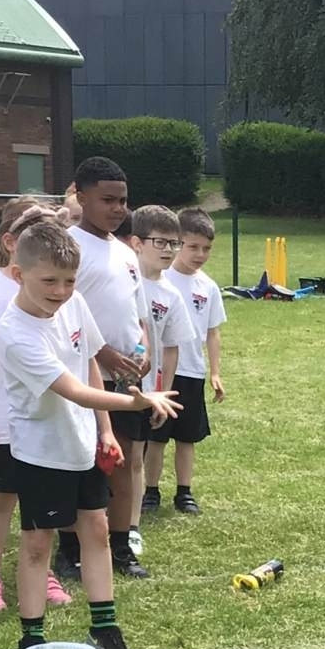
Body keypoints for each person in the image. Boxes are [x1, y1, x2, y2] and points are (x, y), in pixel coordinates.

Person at [0, 218, 180, 649]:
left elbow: (89, 365)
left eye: (69, 280)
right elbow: (73, 390)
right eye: (49, 281)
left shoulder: (74, 304)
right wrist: (136, 402)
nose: (61, 291)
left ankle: (105, 626)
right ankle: (31, 639)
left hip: (82, 446)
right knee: (37, 544)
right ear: (18, 274)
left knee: (96, 530)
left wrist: (104, 430)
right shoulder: (15, 332)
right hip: (41, 454)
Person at [0, 195, 74, 614]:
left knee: (41, 498)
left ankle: (40, 569)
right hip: (4, 416)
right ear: (12, 243)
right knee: (1, 496)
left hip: (48, 415)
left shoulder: (60, 291)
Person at [63, 157, 153, 579]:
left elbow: (137, 313)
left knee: (124, 457)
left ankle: (120, 545)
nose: (118, 209)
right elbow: (63, 313)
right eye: (108, 200)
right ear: (81, 197)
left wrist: (144, 349)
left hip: (126, 376)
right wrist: (102, 355)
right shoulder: (68, 248)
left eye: (123, 200)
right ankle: (71, 549)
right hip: (82, 375)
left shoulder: (125, 251)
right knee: (80, 461)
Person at [154, 207, 228, 514]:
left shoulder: (207, 286)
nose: (200, 254)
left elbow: (212, 332)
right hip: (161, 373)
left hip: (192, 373)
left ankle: (184, 492)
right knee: (156, 438)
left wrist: (215, 372)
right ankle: (150, 491)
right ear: (177, 242)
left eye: (206, 248)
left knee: (187, 438)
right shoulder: (161, 280)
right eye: (193, 246)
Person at [124, 205, 194, 518]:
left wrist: (162, 393)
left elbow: (171, 348)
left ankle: (130, 525)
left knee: (135, 458)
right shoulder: (122, 279)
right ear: (137, 243)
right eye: (161, 242)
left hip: (147, 389)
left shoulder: (171, 294)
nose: (168, 250)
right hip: (109, 382)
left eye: (174, 243)